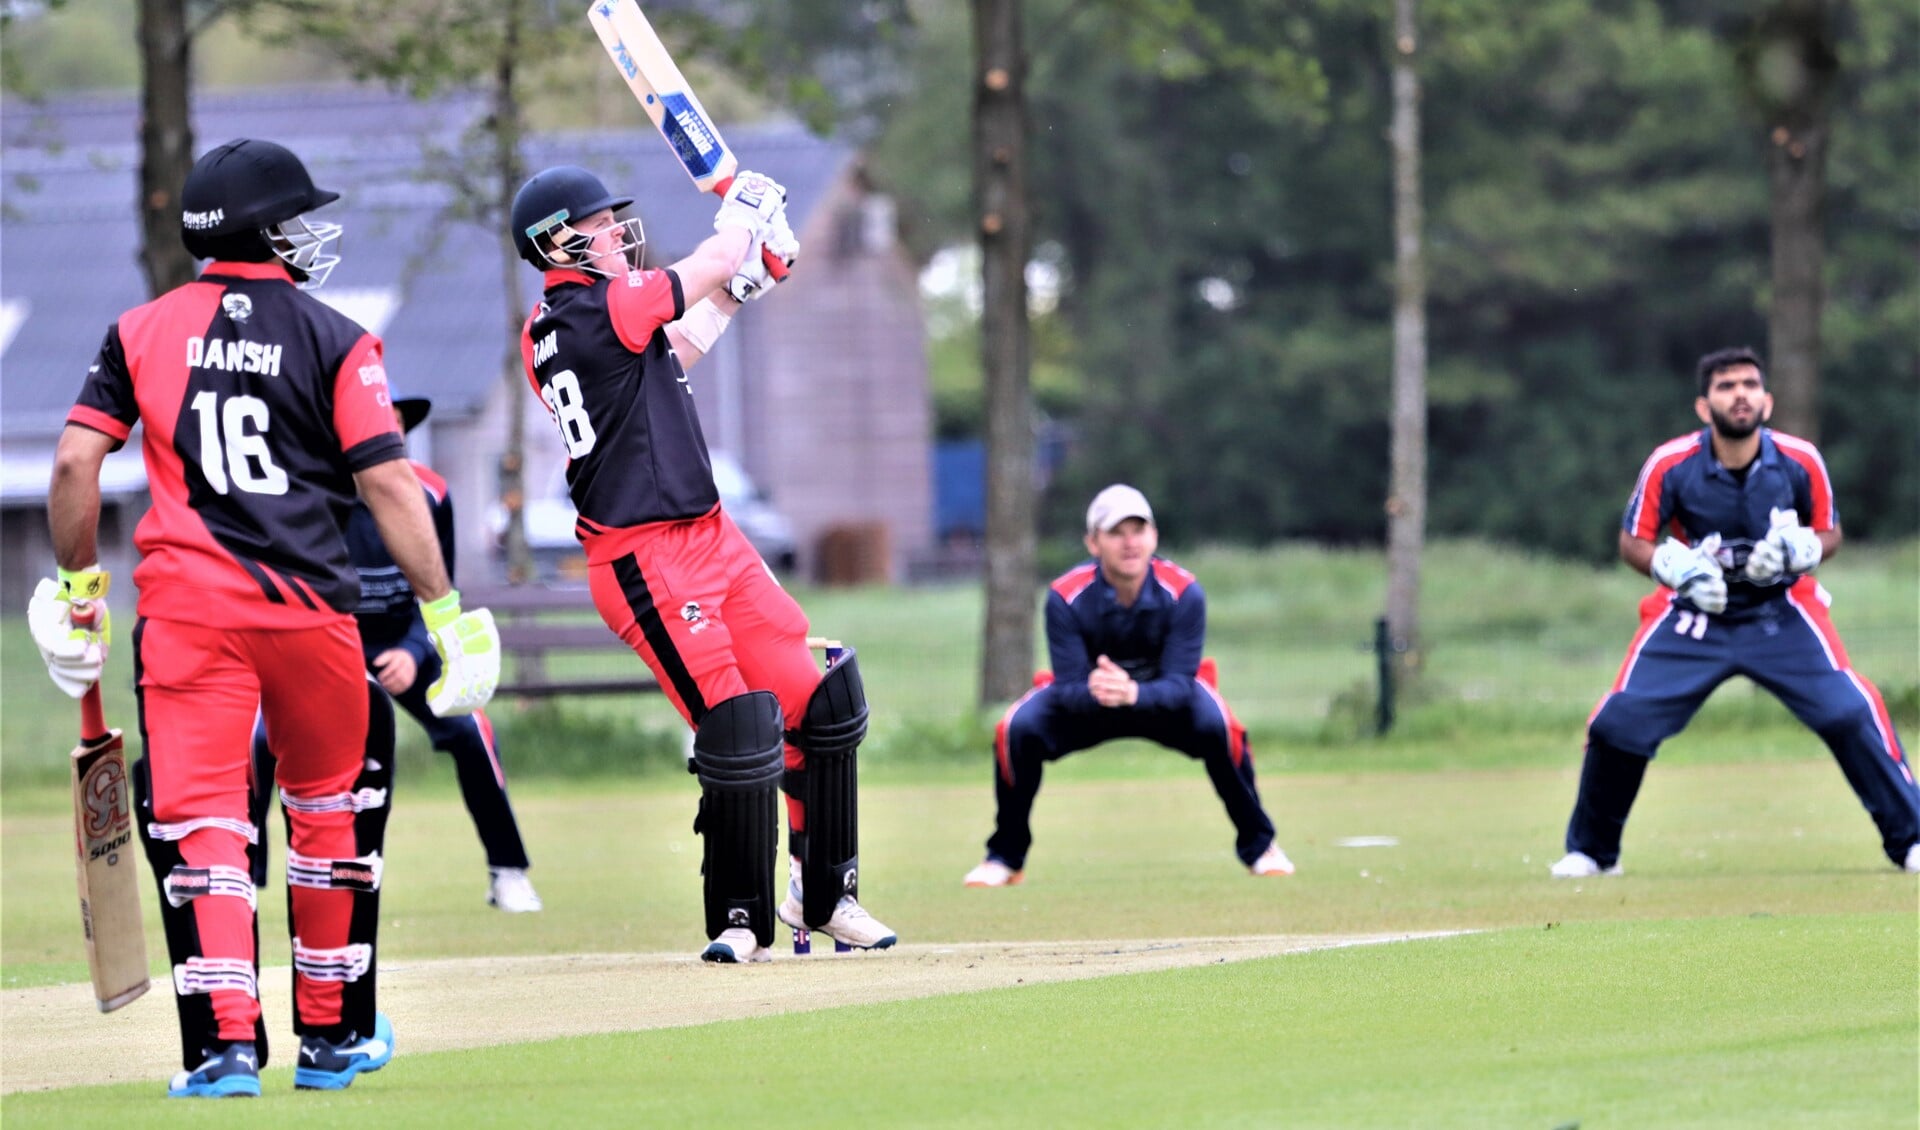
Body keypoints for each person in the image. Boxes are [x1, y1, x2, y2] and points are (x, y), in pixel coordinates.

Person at [30, 138, 500, 1098]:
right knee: (330, 814)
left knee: (206, 827)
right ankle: (332, 1042)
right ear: (266, 229)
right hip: (311, 618)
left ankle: (224, 1053)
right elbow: (388, 483)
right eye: (297, 218)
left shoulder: (138, 331)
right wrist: (445, 612)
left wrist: (79, 589)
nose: (308, 234)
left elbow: (77, 464)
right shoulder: (336, 335)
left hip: (189, 618)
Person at [508, 163, 895, 962]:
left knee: (817, 703)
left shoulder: (579, 320)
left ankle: (823, 895)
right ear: (557, 242)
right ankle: (740, 918)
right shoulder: (595, 309)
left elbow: (672, 347)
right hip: (642, 556)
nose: (617, 232)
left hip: (710, 534)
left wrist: (743, 284)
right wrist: (746, 224)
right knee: (739, 725)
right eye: (600, 224)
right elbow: (706, 264)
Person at [1551, 347, 1919, 878]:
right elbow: (1633, 542)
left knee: (1851, 710)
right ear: (1705, 407)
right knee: (1618, 722)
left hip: (1781, 611)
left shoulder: (1800, 459)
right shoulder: (1670, 463)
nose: (1739, 394)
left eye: (1749, 384)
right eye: (1725, 386)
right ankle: (1592, 851)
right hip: (1695, 616)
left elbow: (1830, 530)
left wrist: (1802, 552)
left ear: (1767, 400)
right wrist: (1676, 570)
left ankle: (1911, 840)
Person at [250, 394, 540, 913]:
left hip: (407, 643)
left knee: (473, 732)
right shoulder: (314, 497)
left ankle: (508, 872)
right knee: (259, 736)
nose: (387, 434)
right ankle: (245, 877)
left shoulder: (430, 493)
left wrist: (411, 649)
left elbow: (437, 589)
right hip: (328, 643)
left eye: (396, 424)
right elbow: (299, 591)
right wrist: (342, 659)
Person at [963, 484, 1294, 888]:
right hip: (1087, 703)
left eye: (1138, 529)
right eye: (1116, 532)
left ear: (1154, 536)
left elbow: (1181, 684)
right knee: (1015, 729)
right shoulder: (1064, 597)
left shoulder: (1185, 592)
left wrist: (1134, 693)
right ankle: (1005, 857)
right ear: (1093, 542)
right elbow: (1067, 688)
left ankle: (1261, 847)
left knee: (1222, 727)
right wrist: (1106, 692)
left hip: (1164, 702)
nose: (1129, 542)